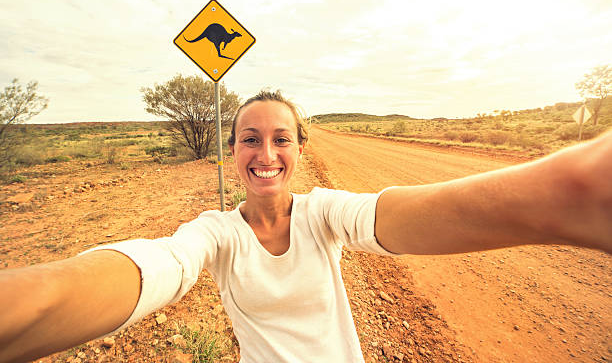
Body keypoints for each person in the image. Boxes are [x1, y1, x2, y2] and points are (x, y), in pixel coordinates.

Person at [1, 90, 611, 362]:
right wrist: (31, 304)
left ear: (299, 148)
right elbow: (158, 267)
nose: (265, 153)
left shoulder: (323, 213)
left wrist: (558, 195)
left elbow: (393, 214)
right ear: (231, 151)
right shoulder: (215, 233)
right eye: (249, 138)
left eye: (281, 138)